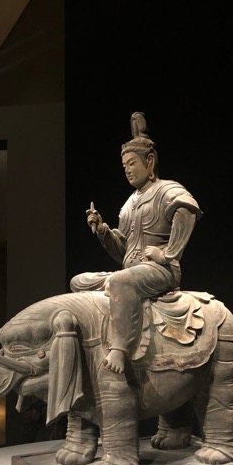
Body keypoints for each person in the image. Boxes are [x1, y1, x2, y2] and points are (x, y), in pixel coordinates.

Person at [71, 111, 203, 374]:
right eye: (124, 166)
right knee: (78, 281)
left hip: (160, 272)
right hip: (131, 271)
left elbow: (189, 209)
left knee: (120, 281)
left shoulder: (167, 189)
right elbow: (123, 251)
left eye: (132, 163)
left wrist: (168, 254)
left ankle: (119, 349)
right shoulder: (128, 204)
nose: (127, 170)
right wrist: (103, 231)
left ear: (150, 161)